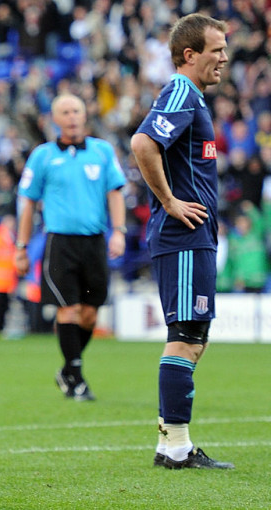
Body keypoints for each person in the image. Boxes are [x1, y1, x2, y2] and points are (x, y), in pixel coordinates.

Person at [130, 13, 234, 470]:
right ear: (189, 55)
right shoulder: (180, 91)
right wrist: (171, 202)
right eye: (217, 49)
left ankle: (175, 442)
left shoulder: (194, 98)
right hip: (184, 236)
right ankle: (173, 448)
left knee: (196, 336)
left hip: (197, 236)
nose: (225, 58)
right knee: (186, 337)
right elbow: (142, 143)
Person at [15, 93, 127, 401]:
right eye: (65, 111)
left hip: (94, 242)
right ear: (55, 119)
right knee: (68, 309)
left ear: (85, 113)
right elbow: (28, 203)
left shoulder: (103, 152)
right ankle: (76, 378)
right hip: (60, 243)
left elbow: (116, 194)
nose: (72, 116)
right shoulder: (42, 156)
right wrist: (21, 246)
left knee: (90, 314)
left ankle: (67, 369)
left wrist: (119, 231)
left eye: (77, 110)